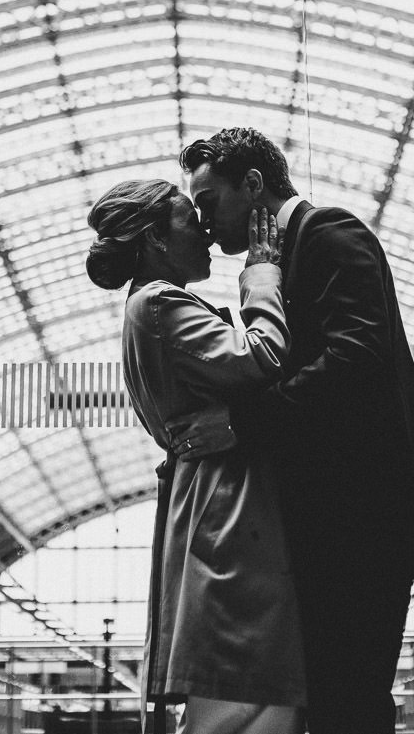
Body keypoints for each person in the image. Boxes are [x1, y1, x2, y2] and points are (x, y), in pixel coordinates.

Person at [181, 127, 414, 734]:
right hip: (337, 501)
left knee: (348, 685)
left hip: (364, 501)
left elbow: (356, 356)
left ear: (253, 184)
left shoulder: (331, 233)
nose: (204, 222)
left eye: (209, 201)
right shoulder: (285, 256)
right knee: (329, 685)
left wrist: (242, 421)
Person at [86, 179, 305, 734]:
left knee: (244, 685)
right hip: (229, 504)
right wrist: (260, 275)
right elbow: (261, 357)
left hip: (211, 494)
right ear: (155, 238)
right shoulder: (160, 302)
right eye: (190, 219)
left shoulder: (148, 308)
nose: (206, 231)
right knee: (244, 679)